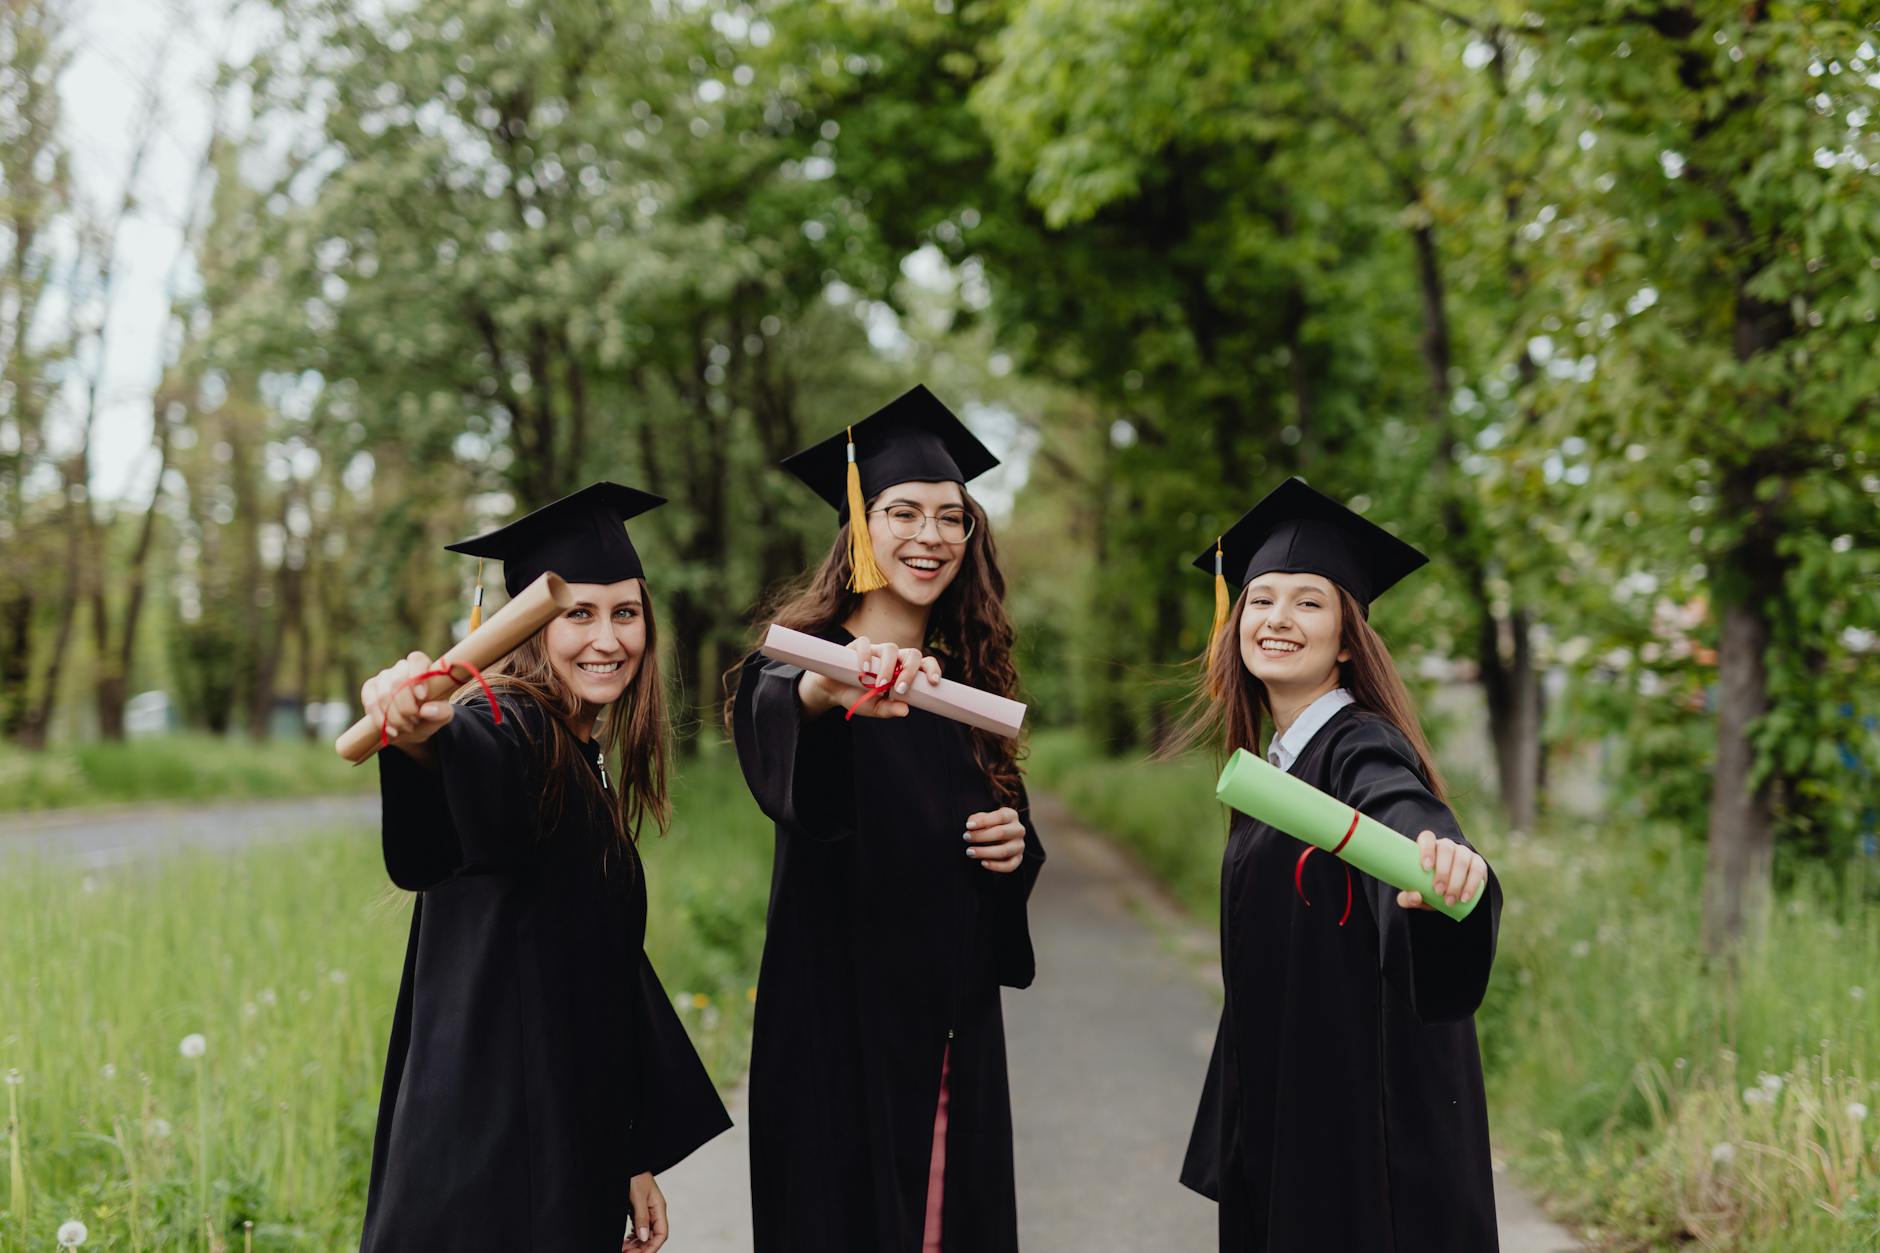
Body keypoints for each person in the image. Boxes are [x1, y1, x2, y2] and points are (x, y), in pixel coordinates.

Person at [357, 482, 730, 1253]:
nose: (609, 638)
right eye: (578, 613)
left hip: (560, 1140)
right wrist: (424, 738)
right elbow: (473, 771)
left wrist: (629, 1150)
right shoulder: (511, 721)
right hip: (493, 1158)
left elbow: (600, 969)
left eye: (625, 612)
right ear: (529, 630)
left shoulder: (580, 755)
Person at [728, 386, 1045, 1253]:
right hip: (836, 1022)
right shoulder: (794, 665)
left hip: (949, 1027)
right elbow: (784, 754)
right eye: (902, 511)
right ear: (860, 531)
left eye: (952, 517)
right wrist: (828, 691)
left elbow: (1007, 839)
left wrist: (1015, 849)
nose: (931, 536)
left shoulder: (969, 686)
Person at [1178, 477, 1503, 1251]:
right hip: (1299, 1108)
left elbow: (1401, 808)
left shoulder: (1358, 744)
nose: (1277, 619)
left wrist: (1444, 866)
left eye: (1308, 601)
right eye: (1260, 600)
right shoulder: (1279, 766)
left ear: (1349, 636)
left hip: (1358, 1128)